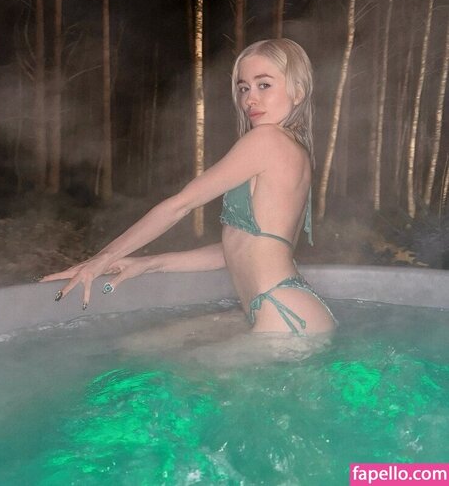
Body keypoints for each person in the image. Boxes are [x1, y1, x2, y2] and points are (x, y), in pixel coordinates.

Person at [42, 38, 336, 337]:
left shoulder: (267, 139)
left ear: (298, 91)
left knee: (146, 362)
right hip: (288, 309)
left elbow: (179, 205)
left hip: (282, 314)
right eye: (243, 88)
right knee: (144, 346)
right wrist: (150, 264)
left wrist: (101, 259)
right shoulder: (294, 151)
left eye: (264, 85)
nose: (250, 99)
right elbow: (238, 250)